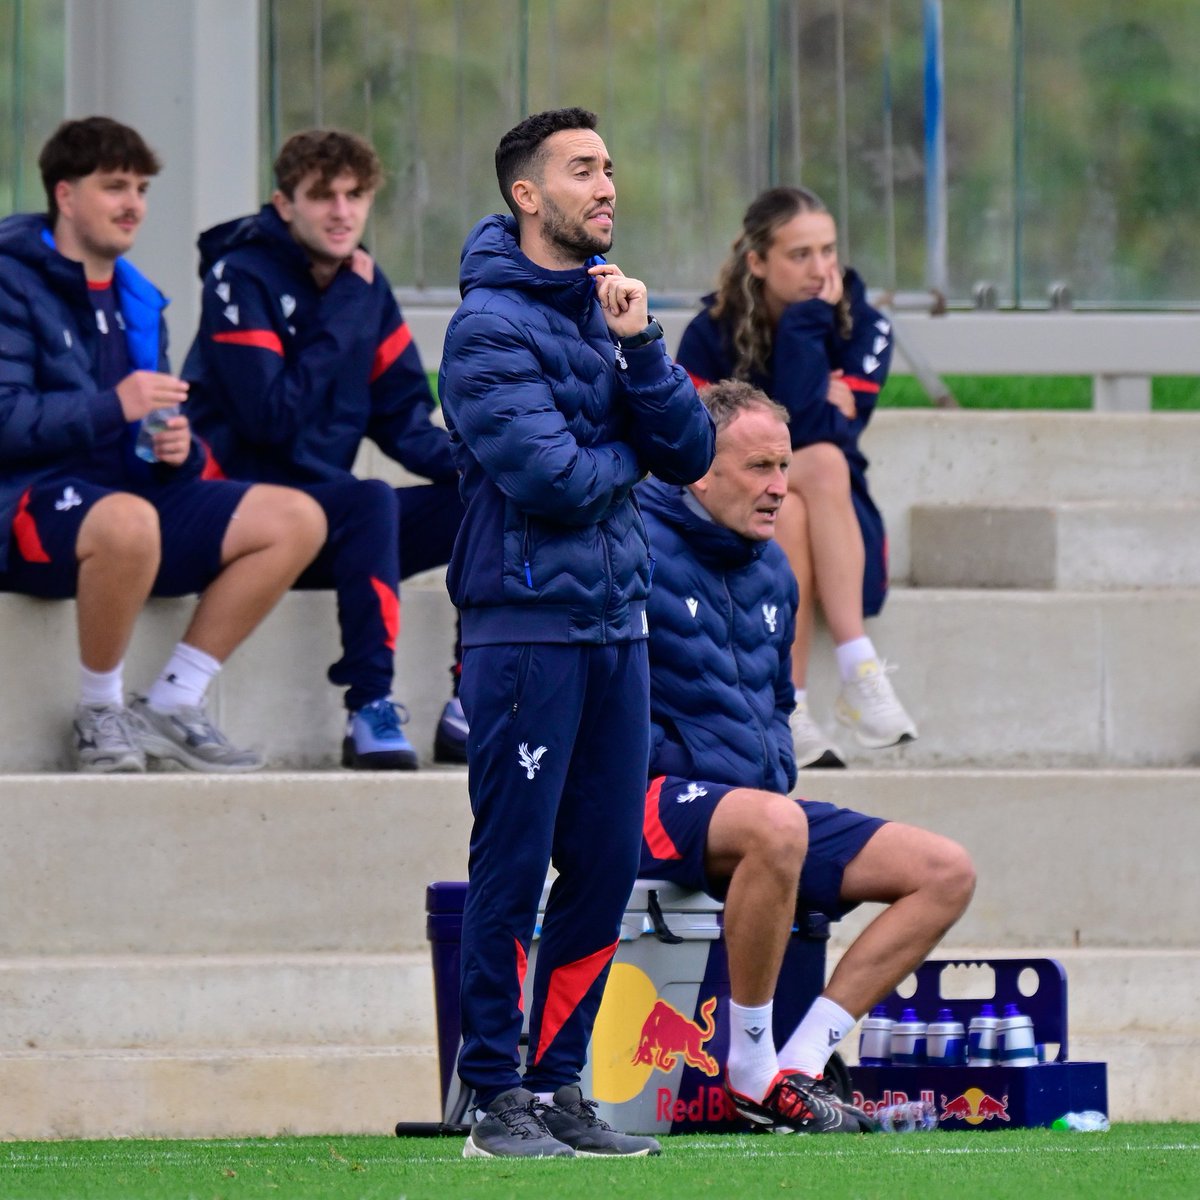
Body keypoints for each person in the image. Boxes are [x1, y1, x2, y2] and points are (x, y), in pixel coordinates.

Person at [439, 107, 714, 1158]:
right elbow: (546, 479)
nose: (608, 186)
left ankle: (561, 1091)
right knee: (512, 866)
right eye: (584, 170)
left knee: (603, 865)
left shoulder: (616, 311)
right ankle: (494, 1098)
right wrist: (630, 461)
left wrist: (643, 348)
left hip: (618, 627)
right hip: (526, 633)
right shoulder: (486, 327)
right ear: (527, 193)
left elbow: (688, 450)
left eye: (610, 166)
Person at [637, 380, 975, 1132]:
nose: (780, 489)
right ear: (697, 467)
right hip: (650, 801)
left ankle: (798, 1062)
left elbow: (778, 704)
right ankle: (751, 1069)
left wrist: (769, 786)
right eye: (759, 468)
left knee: (944, 871)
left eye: (784, 468)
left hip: (758, 815)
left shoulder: (774, 571)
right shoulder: (628, 545)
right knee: (775, 826)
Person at [0, 116, 326, 773]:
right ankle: (99, 710)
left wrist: (168, 449)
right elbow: (6, 418)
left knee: (296, 517)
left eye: (142, 189)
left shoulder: (138, 300)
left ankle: (175, 701)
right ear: (65, 195)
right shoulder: (11, 282)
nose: (133, 206)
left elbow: (136, 443)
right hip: (27, 508)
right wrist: (112, 406)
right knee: (129, 521)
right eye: (115, 186)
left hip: (124, 509)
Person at [181, 128, 467, 769]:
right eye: (322, 196)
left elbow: (401, 419)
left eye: (356, 195)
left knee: (481, 498)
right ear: (285, 204)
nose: (342, 212)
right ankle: (369, 706)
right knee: (366, 500)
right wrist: (342, 308)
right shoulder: (240, 278)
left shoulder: (363, 288)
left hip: (330, 519)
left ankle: (466, 703)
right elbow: (270, 419)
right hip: (242, 524)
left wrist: (481, 466)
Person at [676, 186, 917, 768]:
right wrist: (811, 340)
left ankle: (796, 703)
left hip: (840, 520)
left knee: (810, 477)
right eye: (800, 255)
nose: (820, 270)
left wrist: (808, 329)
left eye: (828, 252)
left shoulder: (865, 326)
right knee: (803, 474)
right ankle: (851, 675)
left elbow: (813, 434)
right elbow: (791, 429)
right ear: (757, 263)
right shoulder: (709, 334)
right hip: (727, 514)